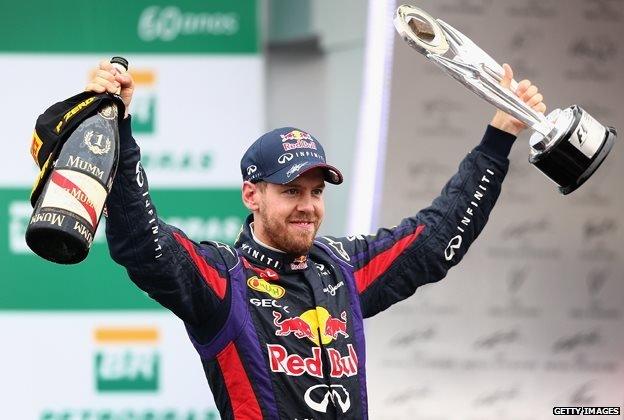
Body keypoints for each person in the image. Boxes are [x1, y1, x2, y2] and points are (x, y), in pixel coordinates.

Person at [89, 59, 545, 419]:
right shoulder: (223, 278)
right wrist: (120, 128)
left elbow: (434, 242)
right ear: (252, 194)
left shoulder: (342, 267)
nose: (307, 205)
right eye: (290, 191)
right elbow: (142, 245)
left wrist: (497, 139)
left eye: (316, 191)